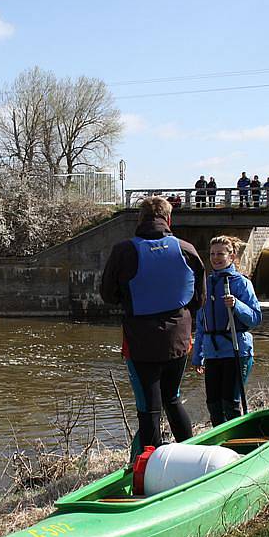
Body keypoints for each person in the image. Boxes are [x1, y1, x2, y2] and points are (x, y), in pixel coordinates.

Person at [100, 196, 206, 457]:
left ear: (140, 219)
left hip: (141, 341)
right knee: (172, 398)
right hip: (179, 340)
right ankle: (190, 456)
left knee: (149, 407)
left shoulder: (123, 251)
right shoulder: (187, 249)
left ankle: (150, 466)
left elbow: (108, 295)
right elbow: (199, 300)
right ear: (168, 220)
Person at [192, 236, 262, 426]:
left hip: (236, 350)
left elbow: (255, 318)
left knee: (229, 403)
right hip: (212, 353)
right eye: (213, 254)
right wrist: (197, 355)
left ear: (231, 256)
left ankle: (238, 444)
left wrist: (237, 305)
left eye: (221, 254)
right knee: (213, 404)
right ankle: (219, 445)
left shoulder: (241, 283)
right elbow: (201, 324)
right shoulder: (206, 284)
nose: (215, 258)